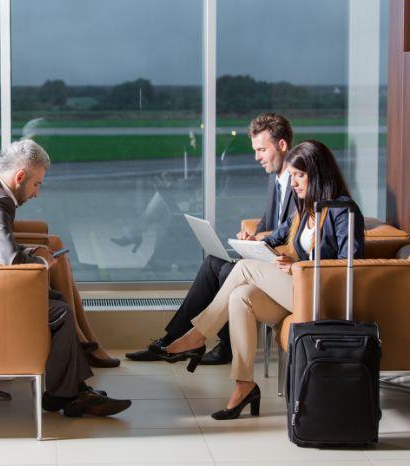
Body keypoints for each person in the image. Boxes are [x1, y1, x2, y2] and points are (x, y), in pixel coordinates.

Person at [152, 140, 365, 420]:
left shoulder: (343, 211)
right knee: (242, 297)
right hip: (298, 293)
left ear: (319, 174)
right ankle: (244, 385)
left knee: (242, 270)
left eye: (300, 176)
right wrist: (252, 241)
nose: (294, 183)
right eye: (293, 176)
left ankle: (196, 336)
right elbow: (274, 238)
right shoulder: (304, 210)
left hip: (321, 294)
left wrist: (299, 266)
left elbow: (350, 264)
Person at [0, 139, 131, 417]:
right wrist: (40, 261)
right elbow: (10, 263)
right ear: (20, 177)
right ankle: (68, 394)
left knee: (56, 303)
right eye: (37, 184)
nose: (37, 193)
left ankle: (69, 393)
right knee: (58, 311)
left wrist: (31, 251)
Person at [126, 113, 297, 364]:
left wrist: (264, 238)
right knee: (212, 264)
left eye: (261, 149)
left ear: (281, 145)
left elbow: (294, 230)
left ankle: (221, 346)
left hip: (282, 265)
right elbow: (269, 222)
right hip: (267, 254)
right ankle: (171, 339)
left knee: (228, 271)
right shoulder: (276, 179)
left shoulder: (300, 181)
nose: (256, 157)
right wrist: (253, 235)